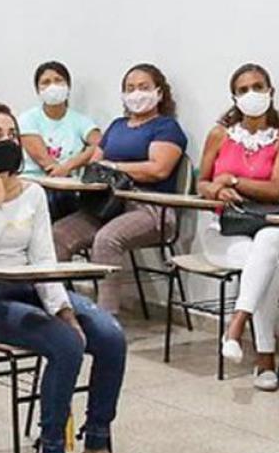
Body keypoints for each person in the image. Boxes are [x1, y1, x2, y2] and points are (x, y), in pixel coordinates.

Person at [0, 104, 136, 453]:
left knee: (110, 336)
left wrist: (63, 309)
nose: (8, 141)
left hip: (35, 287)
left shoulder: (32, 193)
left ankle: (97, 444)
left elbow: (44, 260)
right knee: (65, 345)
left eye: (12, 133)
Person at [193, 63, 279, 389]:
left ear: (270, 92)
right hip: (227, 230)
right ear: (234, 97)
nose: (251, 94)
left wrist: (234, 180)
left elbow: (278, 190)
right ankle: (264, 358)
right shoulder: (219, 135)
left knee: (266, 244)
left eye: (257, 86)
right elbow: (202, 183)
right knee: (264, 262)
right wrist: (216, 188)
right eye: (243, 90)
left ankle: (236, 326)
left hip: (276, 226)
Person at [52, 63, 189, 314]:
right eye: (130, 88)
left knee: (107, 240)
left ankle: (106, 321)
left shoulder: (166, 128)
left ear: (159, 92)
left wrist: (115, 167)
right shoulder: (117, 126)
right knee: (57, 235)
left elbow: (159, 169)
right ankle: (66, 310)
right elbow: (96, 163)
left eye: (144, 87)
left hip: (150, 208)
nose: (136, 93)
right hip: (105, 205)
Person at [17, 60, 103, 180]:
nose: (53, 86)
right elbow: (45, 161)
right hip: (34, 181)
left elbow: (101, 145)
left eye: (58, 80)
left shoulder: (81, 120)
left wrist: (68, 167)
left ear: (68, 87)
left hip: (70, 184)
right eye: (46, 82)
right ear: (38, 90)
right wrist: (61, 171)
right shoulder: (27, 119)